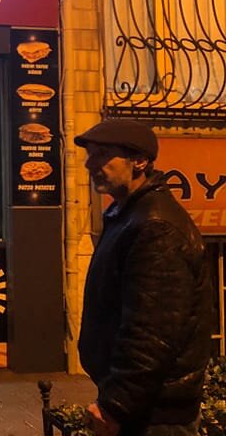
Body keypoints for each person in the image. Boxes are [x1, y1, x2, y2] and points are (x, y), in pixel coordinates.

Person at [75, 119, 212, 436]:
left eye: (102, 154)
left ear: (139, 161)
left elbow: (151, 334)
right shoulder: (129, 215)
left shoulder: (155, 226)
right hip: (143, 407)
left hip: (154, 416)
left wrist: (115, 405)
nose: (90, 164)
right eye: (90, 154)